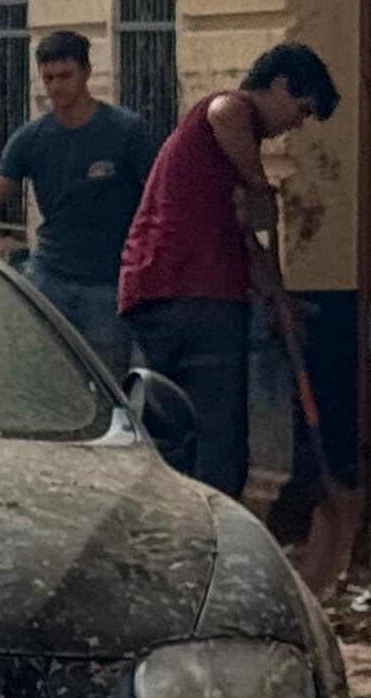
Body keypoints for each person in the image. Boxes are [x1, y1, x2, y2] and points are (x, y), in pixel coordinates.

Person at [117, 46, 339, 500]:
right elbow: (225, 113)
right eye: (300, 110)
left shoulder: (225, 157)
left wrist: (278, 299)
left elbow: (244, 241)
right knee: (216, 447)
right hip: (194, 294)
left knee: (169, 435)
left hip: (160, 289)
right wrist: (261, 188)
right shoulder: (229, 111)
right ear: (278, 86)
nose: (295, 125)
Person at [0, 27, 156, 375]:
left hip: (108, 285)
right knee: (42, 378)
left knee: (106, 384)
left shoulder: (126, 132)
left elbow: (157, 202)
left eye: (66, 76)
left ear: (86, 72)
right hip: (49, 279)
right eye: (49, 78)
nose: (56, 87)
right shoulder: (32, 139)